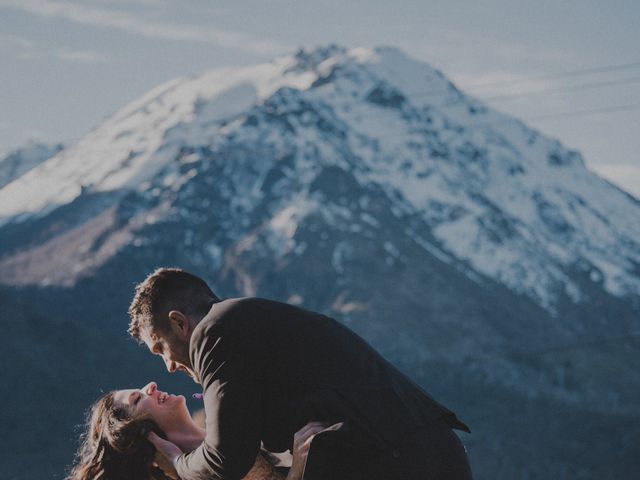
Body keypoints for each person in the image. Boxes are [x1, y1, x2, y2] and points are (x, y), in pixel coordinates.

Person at [129, 268, 473, 480]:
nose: (169, 367)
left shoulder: (214, 333)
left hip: (397, 461)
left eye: (160, 349)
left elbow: (226, 458)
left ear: (178, 322)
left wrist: (179, 464)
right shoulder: (244, 323)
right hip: (419, 450)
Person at [66, 381, 332, 480]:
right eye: (137, 399)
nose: (152, 385)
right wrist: (300, 467)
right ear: (137, 432)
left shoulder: (227, 430)